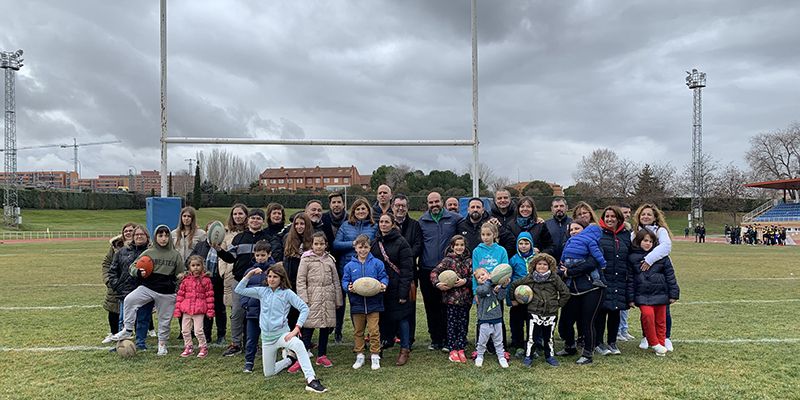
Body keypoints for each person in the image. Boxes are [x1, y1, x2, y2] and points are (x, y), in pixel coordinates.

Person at [234, 264, 328, 393]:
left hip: (282, 335)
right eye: (269, 276)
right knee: (269, 373)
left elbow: (304, 308)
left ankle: (311, 380)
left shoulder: (287, 293)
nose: (271, 279)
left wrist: (296, 329)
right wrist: (250, 274)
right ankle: (289, 360)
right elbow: (239, 290)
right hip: (267, 339)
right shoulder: (262, 291)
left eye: (275, 277)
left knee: (299, 345)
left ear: (281, 278)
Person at [110, 225, 184, 356]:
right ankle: (127, 329)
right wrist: (138, 272)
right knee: (129, 300)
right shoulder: (149, 252)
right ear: (155, 237)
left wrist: (180, 278)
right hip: (148, 287)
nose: (163, 238)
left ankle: (162, 344)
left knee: (164, 320)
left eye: (166, 235)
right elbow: (132, 267)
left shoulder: (175, 255)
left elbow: (180, 273)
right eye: (160, 235)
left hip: (166, 292)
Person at [217, 208, 282, 357]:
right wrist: (219, 249)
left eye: (259, 218)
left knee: (259, 314)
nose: (255, 221)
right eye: (253, 218)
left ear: (263, 221)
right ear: (248, 220)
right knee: (237, 313)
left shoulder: (268, 237)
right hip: (241, 281)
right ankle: (235, 343)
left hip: (262, 284)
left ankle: (256, 343)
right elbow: (230, 258)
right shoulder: (239, 237)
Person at [556, 204, 603, 365]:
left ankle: (588, 353)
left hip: (591, 288)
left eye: (577, 229)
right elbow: (561, 265)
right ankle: (569, 346)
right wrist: (561, 272)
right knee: (566, 321)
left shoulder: (592, 244)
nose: (574, 232)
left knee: (587, 322)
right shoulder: (569, 246)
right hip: (571, 289)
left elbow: (590, 264)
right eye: (571, 230)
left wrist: (569, 271)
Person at [510, 253, 570, 367]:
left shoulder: (554, 278)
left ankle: (550, 356)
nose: (542, 267)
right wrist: (514, 299)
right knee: (531, 337)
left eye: (545, 264)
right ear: (534, 265)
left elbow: (565, 292)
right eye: (539, 264)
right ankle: (528, 356)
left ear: (550, 266)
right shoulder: (530, 278)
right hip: (534, 312)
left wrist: (557, 304)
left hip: (551, 313)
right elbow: (514, 285)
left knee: (549, 337)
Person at [418, 192, 460, 351]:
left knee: (447, 306)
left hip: (448, 270)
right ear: (427, 204)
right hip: (427, 269)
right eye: (431, 202)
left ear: (442, 202)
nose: (434, 204)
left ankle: (449, 338)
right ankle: (435, 338)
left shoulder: (454, 219)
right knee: (431, 305)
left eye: (437, 201)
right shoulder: (422, 221)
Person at [370, 214, 414, 366]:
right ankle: (380, 345)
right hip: (380, 288)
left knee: (402, 319)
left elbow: (407, 269)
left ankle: (405, 349)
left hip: (397, 287)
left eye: (386, 222)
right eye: (381, 222)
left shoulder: (402, 243)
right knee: (380, 318)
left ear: (392, 224)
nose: (383, 224)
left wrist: (403, 292)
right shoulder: (375, 242)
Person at [628, 230, 679, 356]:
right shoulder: (632, 258)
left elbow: (670, 276)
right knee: (648, 316)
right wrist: (630, 298)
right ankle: (654, 342)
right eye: (645, 240)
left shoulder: (662, 257)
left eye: (651, 241)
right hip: (642, 295)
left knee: (661, 321)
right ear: (639, 241)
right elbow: (629, 279)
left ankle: (661, 345)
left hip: (661, 293)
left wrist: (673, 294)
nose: (648, 244)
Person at [333, 197, 377, 343]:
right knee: (346, 303)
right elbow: (336, 244)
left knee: (365, 302)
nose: (360, 211)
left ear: (368, 210)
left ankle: (368, 334)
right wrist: (352, 244)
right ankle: (339, 331)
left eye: (363, 208)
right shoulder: (346, 226)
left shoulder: (373, 226)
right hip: (348, 268)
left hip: (367, 270)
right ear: (353, 211)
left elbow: (376, 246)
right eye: (357, 209)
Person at [341, 234, 389, 370]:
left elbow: (383, 277)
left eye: (366, 247)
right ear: (355, 248)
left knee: (374, 331)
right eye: (360, 247)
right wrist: (348, 287)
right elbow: (345, 280)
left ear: (370, 248)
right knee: (358, 331)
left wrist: (383, 284)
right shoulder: (350, 266)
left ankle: (375, 355)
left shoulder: (377, 263)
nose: (363, 250)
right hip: (357, 304)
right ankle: (360, 355)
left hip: (374, 303)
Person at [632, 203, 675, 351]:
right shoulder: (634, 232)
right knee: (646, 310)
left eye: (649, 214)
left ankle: (665, 337)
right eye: (643, 214)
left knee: (663, 310)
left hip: (658, 274)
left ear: (655, 216)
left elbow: (666, 247)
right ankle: (646, 336)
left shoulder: (660, 230)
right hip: (642, 278)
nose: (645, 216)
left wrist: (649, 260)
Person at [296, 232, 342, 368]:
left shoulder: (330, 260)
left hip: (328, 296)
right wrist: (303, 298)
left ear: (326, 245)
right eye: (316, 244)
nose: (319, 246)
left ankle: (322, 355)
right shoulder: (305, 260)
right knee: (308, 328)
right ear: (311, 245)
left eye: (322, 244)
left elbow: (336, 281)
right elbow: (300, 280)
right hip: (312, 297)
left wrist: (338, 299)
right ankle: (302, 357)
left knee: (325, 328)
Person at [593, 206, 633, 357]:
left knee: (615, 310)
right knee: (601, 311)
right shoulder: (598, 233)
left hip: (620, 278)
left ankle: (612, 341)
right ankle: (598, 342)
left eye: (613, 216)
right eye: (607, 216)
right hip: (603, 278)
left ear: (619, 218)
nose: (610, 219)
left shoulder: (626, 235)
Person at [106, 224, 152, 351]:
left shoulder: (151, 252)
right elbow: (113, 270)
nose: (138, 236)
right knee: (123, 320)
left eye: (141, 234)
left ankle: (140, 343)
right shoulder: (122, 251)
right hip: (125, 291)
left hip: (145, 290)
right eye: (136, 234)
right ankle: (121, 345)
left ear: (147, 237)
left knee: (142, 319)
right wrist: (116, 285)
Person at [430, 235, 472, 364]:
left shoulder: (469, 261)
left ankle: (461, 347)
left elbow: (474, 276)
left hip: (465, 299)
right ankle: (452, 348)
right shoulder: (447, 261)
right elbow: (434, 272)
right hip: (451, 300)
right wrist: (437, 283)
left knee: (463, 324)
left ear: (465, 247)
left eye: (462, 245)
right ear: (452, 247)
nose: (459, 247)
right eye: (457, 245)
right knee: (452, 324)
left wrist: (465, 281)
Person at [471, 223, 509, 357]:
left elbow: (506, 269)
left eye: (489, 234)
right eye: (483, 235)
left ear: (495, 235)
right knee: (481, 318)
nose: (486, 237)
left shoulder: (501, 251)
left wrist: (501, 284)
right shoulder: (477, 251)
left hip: (496, 290)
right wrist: (475, 291)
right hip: (482, 290)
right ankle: (480, 346)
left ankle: (500, 347)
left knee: (498, 316)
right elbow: (475, 272)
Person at [188, 222, 228, 346]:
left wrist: (220, 250)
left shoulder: (224, 245)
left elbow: (230, 259)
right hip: (203, 283)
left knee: (219, 309)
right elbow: (189, 261)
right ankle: (206, 334)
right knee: (204, 308)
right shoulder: (200, 245)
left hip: (218, 281)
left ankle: (221, 334)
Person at [391, 194, 423, 347]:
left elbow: (418, 245)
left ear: (407, 207)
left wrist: (403, 255)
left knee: (409, 305)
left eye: (403, 205)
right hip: (390, 272)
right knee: (392, 304)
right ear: (392, 207)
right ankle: (392, 336)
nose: (400, 208)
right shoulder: (387, 223)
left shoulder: (414, 225)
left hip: (409, 272)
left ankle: (408, 339)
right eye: (397, 205)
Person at [240, 241, 276, 373]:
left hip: (269, 312)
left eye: (263, 255)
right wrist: (245, 303)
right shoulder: (250, 271)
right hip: (253, 311)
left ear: (269, 254)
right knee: (251, 338)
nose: (260, 258)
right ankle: (249, 362)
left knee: (271, 338)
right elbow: (243, 288)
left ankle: (273, 361)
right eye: (257, 255)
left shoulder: (274, 270)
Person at [174, 255, 215, 358]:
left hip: (199, 310)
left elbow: (209, 296)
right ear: (189, 267)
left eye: (198, 265)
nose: (195, 267)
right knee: (185, 330)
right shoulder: (185, 280)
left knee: (198, 330)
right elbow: (180, 295)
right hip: (186, 310)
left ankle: (203, 347)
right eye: (193, 265)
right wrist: (178, 310)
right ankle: (188, 346)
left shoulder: (206, 281)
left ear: (202, 266)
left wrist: (210, 311)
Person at [101, 222, 135, 343]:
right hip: (116, 283)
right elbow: (106, 264)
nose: (128, 233)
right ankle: (114, 333)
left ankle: (140, 333)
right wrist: (108, 280)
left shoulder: (141, 246)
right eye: (126, 231)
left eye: (131, 230)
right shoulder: (115, 246)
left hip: (133, 284)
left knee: (135, 309)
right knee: (113, 309)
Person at [218, 203, 248, 343]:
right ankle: (236, 340)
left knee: (248, 310)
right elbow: (221, 254)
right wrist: (223, 271)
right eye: (235, 214)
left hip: (246, 275)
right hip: (231, 275)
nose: (238, 216)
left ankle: (248, 337)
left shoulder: (250, 232)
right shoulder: (226, 234)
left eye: (240, 213)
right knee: (235, 310)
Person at [507, 232, 536, 357]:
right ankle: (518, 344)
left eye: (526, 243)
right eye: (521, 243)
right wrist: (511, 299)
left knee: (532, 321)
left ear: (531, 244)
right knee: (516, 321)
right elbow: (509, 280)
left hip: (533, 297)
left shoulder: (536, 258)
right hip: (517, 298)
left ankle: (532, 344)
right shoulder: (513, 259)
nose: (523, 246)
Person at [283, 212, 314, 330]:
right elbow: (285, 260)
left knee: (304, 313)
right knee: (291, 314)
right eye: (296, 224)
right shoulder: (288, 238)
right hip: (291, 282)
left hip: (305, 283)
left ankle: (304, 341)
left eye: (302, 224)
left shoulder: (311, 240)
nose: (299, 226)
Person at [473, 268, 509, 368]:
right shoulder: (479, 289)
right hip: (485, 320)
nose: (481, 278)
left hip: (497, 319)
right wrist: (489, 280)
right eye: (478, 277)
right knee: (482, 341)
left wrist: (503, 287)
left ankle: (501, 357)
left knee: (498, 340)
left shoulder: (494, 287)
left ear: (489, 274)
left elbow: (501, 297)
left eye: (483, 274)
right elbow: (485, 290)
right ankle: (479, 356)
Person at [560, 219, 607, 289]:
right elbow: (597, 255)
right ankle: (596, 280)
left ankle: (568, 283)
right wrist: (603, 264)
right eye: (571, 230)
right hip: (579, 263)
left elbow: (591, 263)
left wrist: (562, 261)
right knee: (594, 270)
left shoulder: (570, 240)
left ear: (585, 229)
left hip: (586, 287)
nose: (573, 231)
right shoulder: (589, 240)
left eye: (577, 228)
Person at [545, 197, 572, 262]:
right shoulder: (545, 224)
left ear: (567, 208)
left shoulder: (574, 223)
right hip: (550, 262)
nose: (559, 208)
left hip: (570, 262)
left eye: (562, 206)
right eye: (556, 206)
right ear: (552, 209)